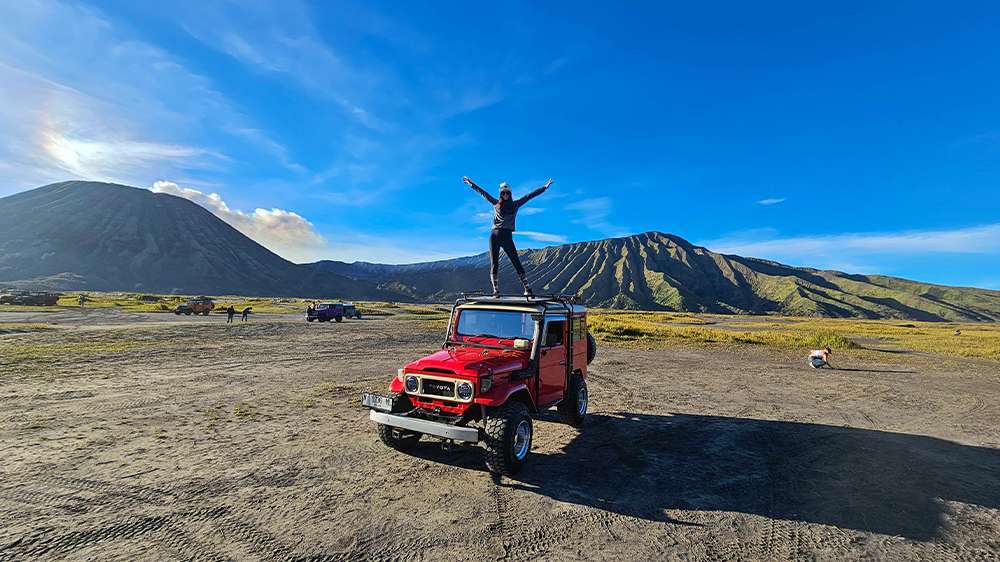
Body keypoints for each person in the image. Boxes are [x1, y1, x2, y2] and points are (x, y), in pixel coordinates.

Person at [464, 176, 553, 296]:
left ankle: (527, 288)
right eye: (503, 193)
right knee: (494, 263)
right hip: (494, 235)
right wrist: (471, 184)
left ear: (510, 194)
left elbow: (528, 196)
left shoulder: (515, 204)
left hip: (507, 236)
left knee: (516, 261)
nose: (505, 195)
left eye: (507, 193)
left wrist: (544, 188)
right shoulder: (495, 203)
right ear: (501, 194)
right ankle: (496, 290)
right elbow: (483, 194)